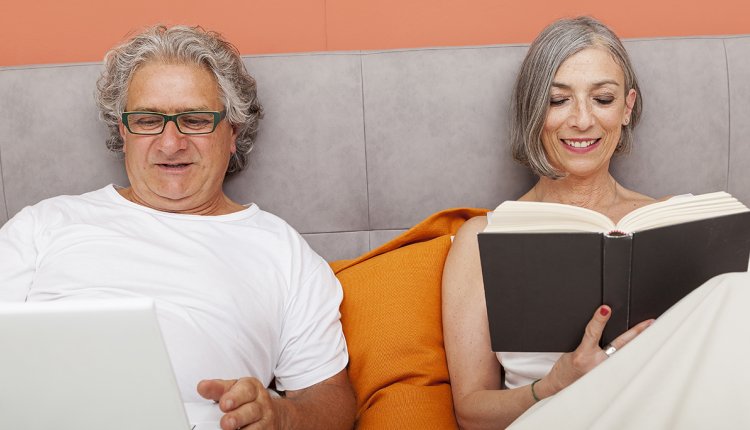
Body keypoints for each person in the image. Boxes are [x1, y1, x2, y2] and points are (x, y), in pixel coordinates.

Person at [0, 25, 355, 430]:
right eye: (148, 120)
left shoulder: (283, 251)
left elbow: (328, 398)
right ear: (123, 129)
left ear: (233, 130)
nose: (171, 144)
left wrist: (283, 418)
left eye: (195, 120)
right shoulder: (43, 224)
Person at [442, 16, 665, 428]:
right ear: (532, 109)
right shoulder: (482, 241)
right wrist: (552, 385)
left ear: (627, 108)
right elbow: (470, 415)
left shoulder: (669, 223)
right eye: (558, 100)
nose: (582, 120)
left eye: (602, 99)